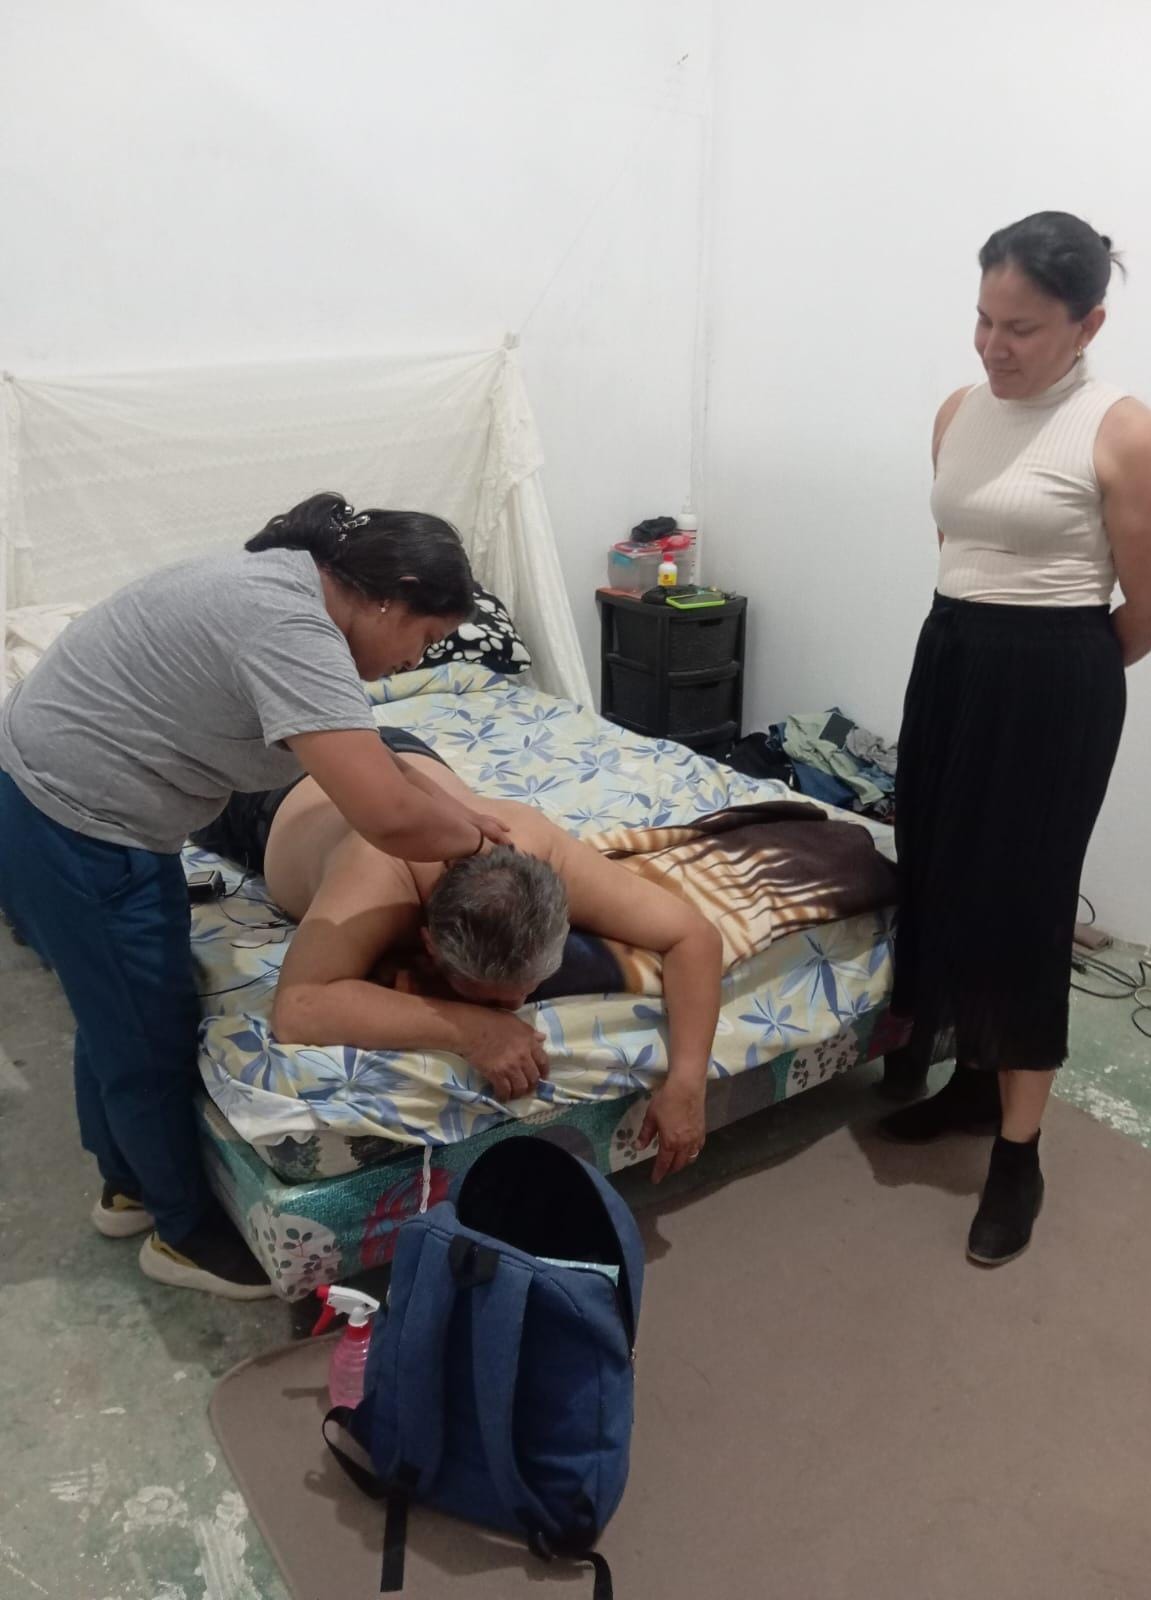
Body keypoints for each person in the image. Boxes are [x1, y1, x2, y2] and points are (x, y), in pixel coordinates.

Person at [0, 491, 513, 1298]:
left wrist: (459, 813)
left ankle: (126, 1185)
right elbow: (384, 812)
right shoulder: (291, 630)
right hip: (76, 819)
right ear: (393, 595)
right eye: (424, 639)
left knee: (114, 1011)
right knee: (147, 1037)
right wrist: (474, 845)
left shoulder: (286, 582)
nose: (415, 662)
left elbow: (374, 760)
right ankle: (184, 1237)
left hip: (54, 789)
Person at [880, 212, 1151, 1265]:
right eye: (983, 320)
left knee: (1025, 905)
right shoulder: (957, 411)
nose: (993, 346)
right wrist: (981, 652)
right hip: (949, 654)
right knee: (940, 874)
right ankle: (969, 1080)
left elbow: (1143, 606)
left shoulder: (1117, 431)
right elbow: (959, 544)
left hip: (1054, 678)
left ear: (1086, 325)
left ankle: (1017, 1153)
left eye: (1021, 328)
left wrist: (1057, 672)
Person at [194, 734, 724, 1183]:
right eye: (493, 999)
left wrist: (686, 1080)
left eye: (524, 991)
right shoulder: (378, 875)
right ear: (429, 943)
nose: (517, 1007)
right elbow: (297, 1008)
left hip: (405, 757)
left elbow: (693, 936)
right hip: (276, 792)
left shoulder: (534, 845)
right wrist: (471, 1030)